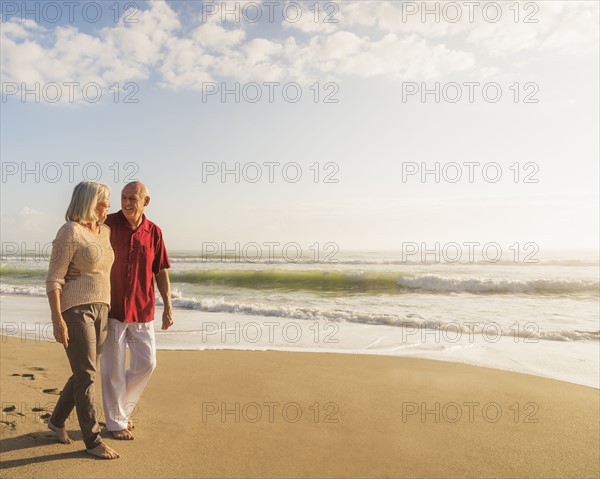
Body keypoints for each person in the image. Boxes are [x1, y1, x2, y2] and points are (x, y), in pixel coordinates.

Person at [46, 181, 120, 459]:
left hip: (102, 308)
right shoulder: (70, 231)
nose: (108, 206)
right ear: (90, 202)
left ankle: (55, 422)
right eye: (105, 201)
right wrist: (58, 320)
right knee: (87, 376)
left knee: (83, 373)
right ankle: (92, 440)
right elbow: (54, 278)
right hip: (75, 310)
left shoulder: (105, 231)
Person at [100, 181, 173, 440]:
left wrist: (168, 305)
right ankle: (116, 422)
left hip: (142, 309)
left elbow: (161, 269)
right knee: (113, 369)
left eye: (132, 198)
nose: (127, 202)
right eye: (123, 197)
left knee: (147, 363)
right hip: (112, 307)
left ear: (146, 201)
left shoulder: (154, 232)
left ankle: (119, 411)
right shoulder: (106, 225)